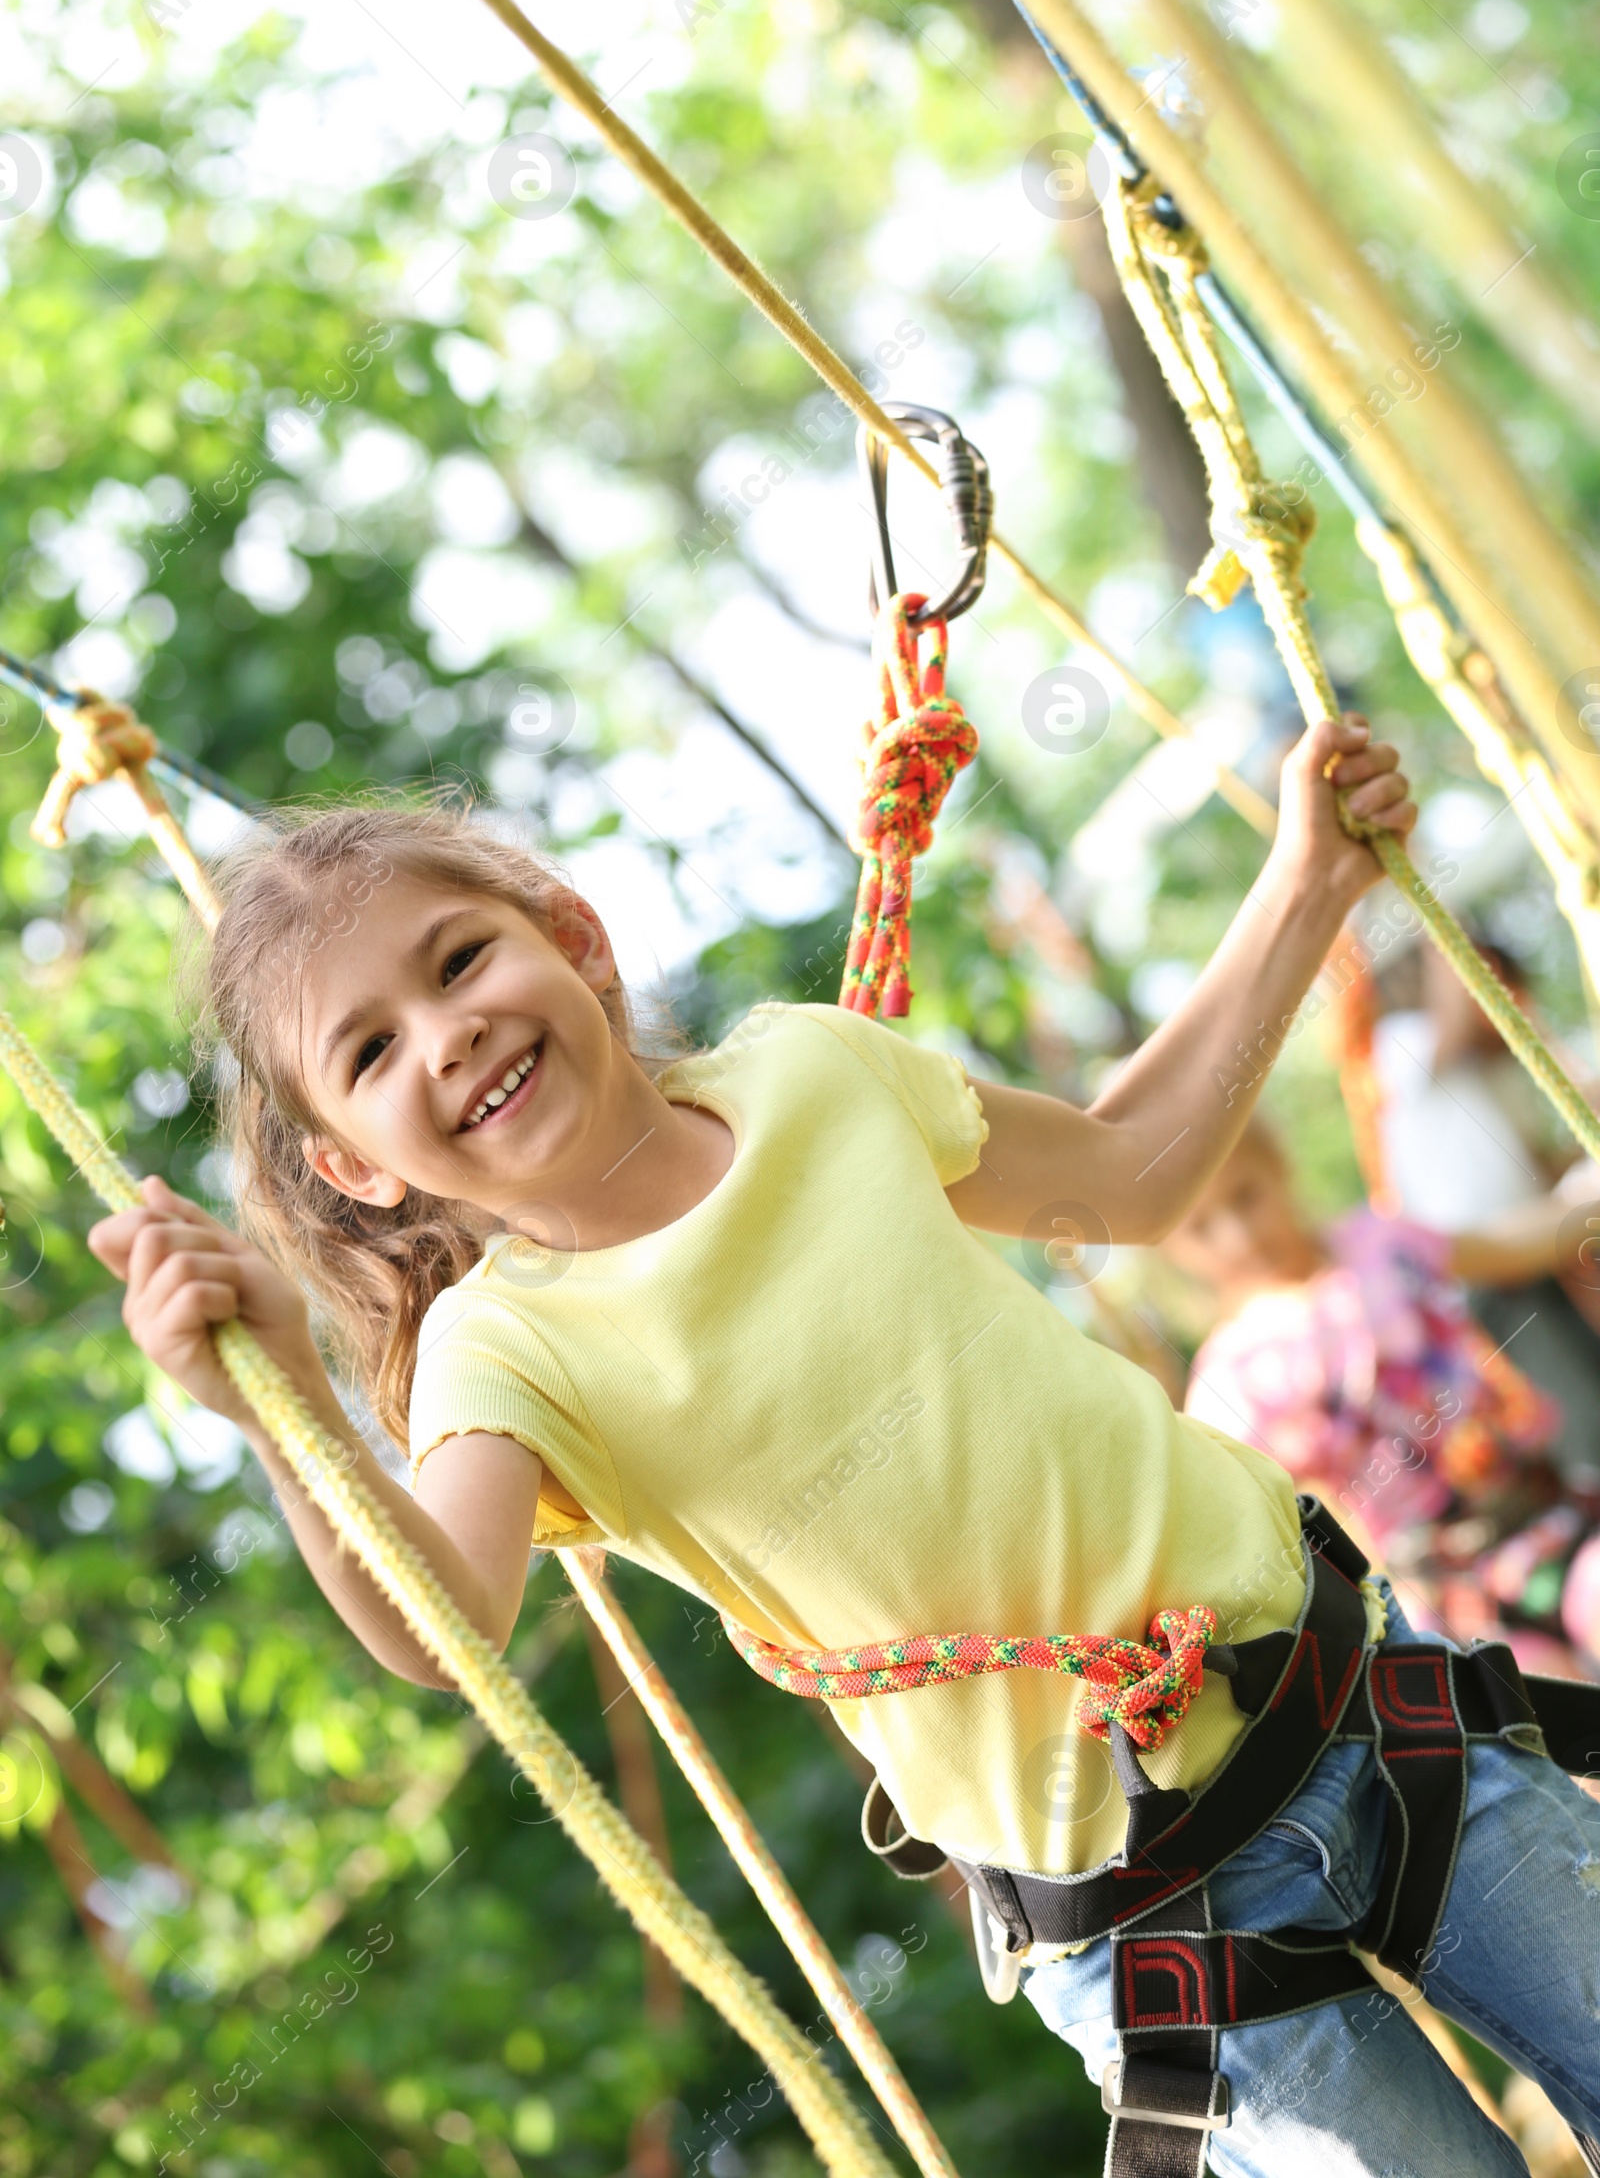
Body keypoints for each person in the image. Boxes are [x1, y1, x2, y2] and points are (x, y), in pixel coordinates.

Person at [86, 718, 1600, 2175]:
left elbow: (1129, 1172)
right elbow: (447, 1624)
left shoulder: (810, 1074)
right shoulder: (507, 1351)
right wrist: (282, 1408)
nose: (450, 1029)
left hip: (1358, 1713)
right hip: (1148, 1915)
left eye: (463, 959)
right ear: (355, 1167)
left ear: (575, 937)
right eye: (370, 1048)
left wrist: (1306, 883)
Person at [1168, 1120, 1600, 1673]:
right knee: (1557, 1728)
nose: (1238, 1236)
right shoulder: (1233, 1377)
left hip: (1544, 1513)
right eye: (1200, 1227)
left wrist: (1584, 1205)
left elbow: (1509, 1246)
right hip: (1449, 1594)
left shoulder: (1380, 1245)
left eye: (1245, 1196)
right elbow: (1238, 1523)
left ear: (1277, 1166)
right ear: (1173, 1248)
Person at [1372, 936, 1600, 1470]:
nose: (1506, 999)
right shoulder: (1402, 1044)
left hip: (1537, 1251)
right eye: (1489, 984)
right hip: (1487, 1269)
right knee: (1578, 1394)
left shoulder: (1490, 1076)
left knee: (1588, 1366)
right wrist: (1445, 941)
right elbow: (1451, 1018)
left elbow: (1545, 1167)